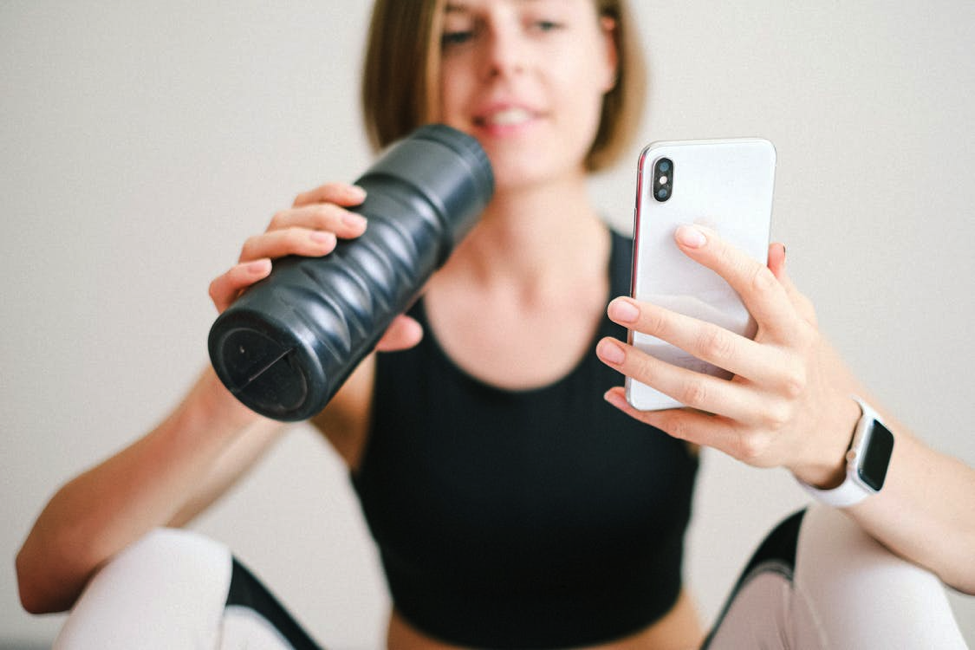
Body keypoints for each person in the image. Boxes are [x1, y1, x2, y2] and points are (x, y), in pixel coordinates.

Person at [16, 1, 974, 648]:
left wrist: (833, 438)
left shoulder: (695, 310)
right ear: (414, 69)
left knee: (853, 544)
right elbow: (44, 575)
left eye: (544, 22)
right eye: (457, 30)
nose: (504, 57)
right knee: (163, 570)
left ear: (605, 52)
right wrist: (253, 365)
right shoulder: (357, 325)